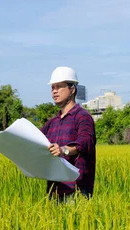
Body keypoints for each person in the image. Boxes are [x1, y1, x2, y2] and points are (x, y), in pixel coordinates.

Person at [42, 66, 96, 202]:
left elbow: (85, 143)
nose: (54, 91)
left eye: (59, 87)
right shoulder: (52, 122)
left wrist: (63, 150)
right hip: (54, 190)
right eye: (52, 87)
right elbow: (35, 141)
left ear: (72, 89)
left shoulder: (83, 117)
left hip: (77, 192)